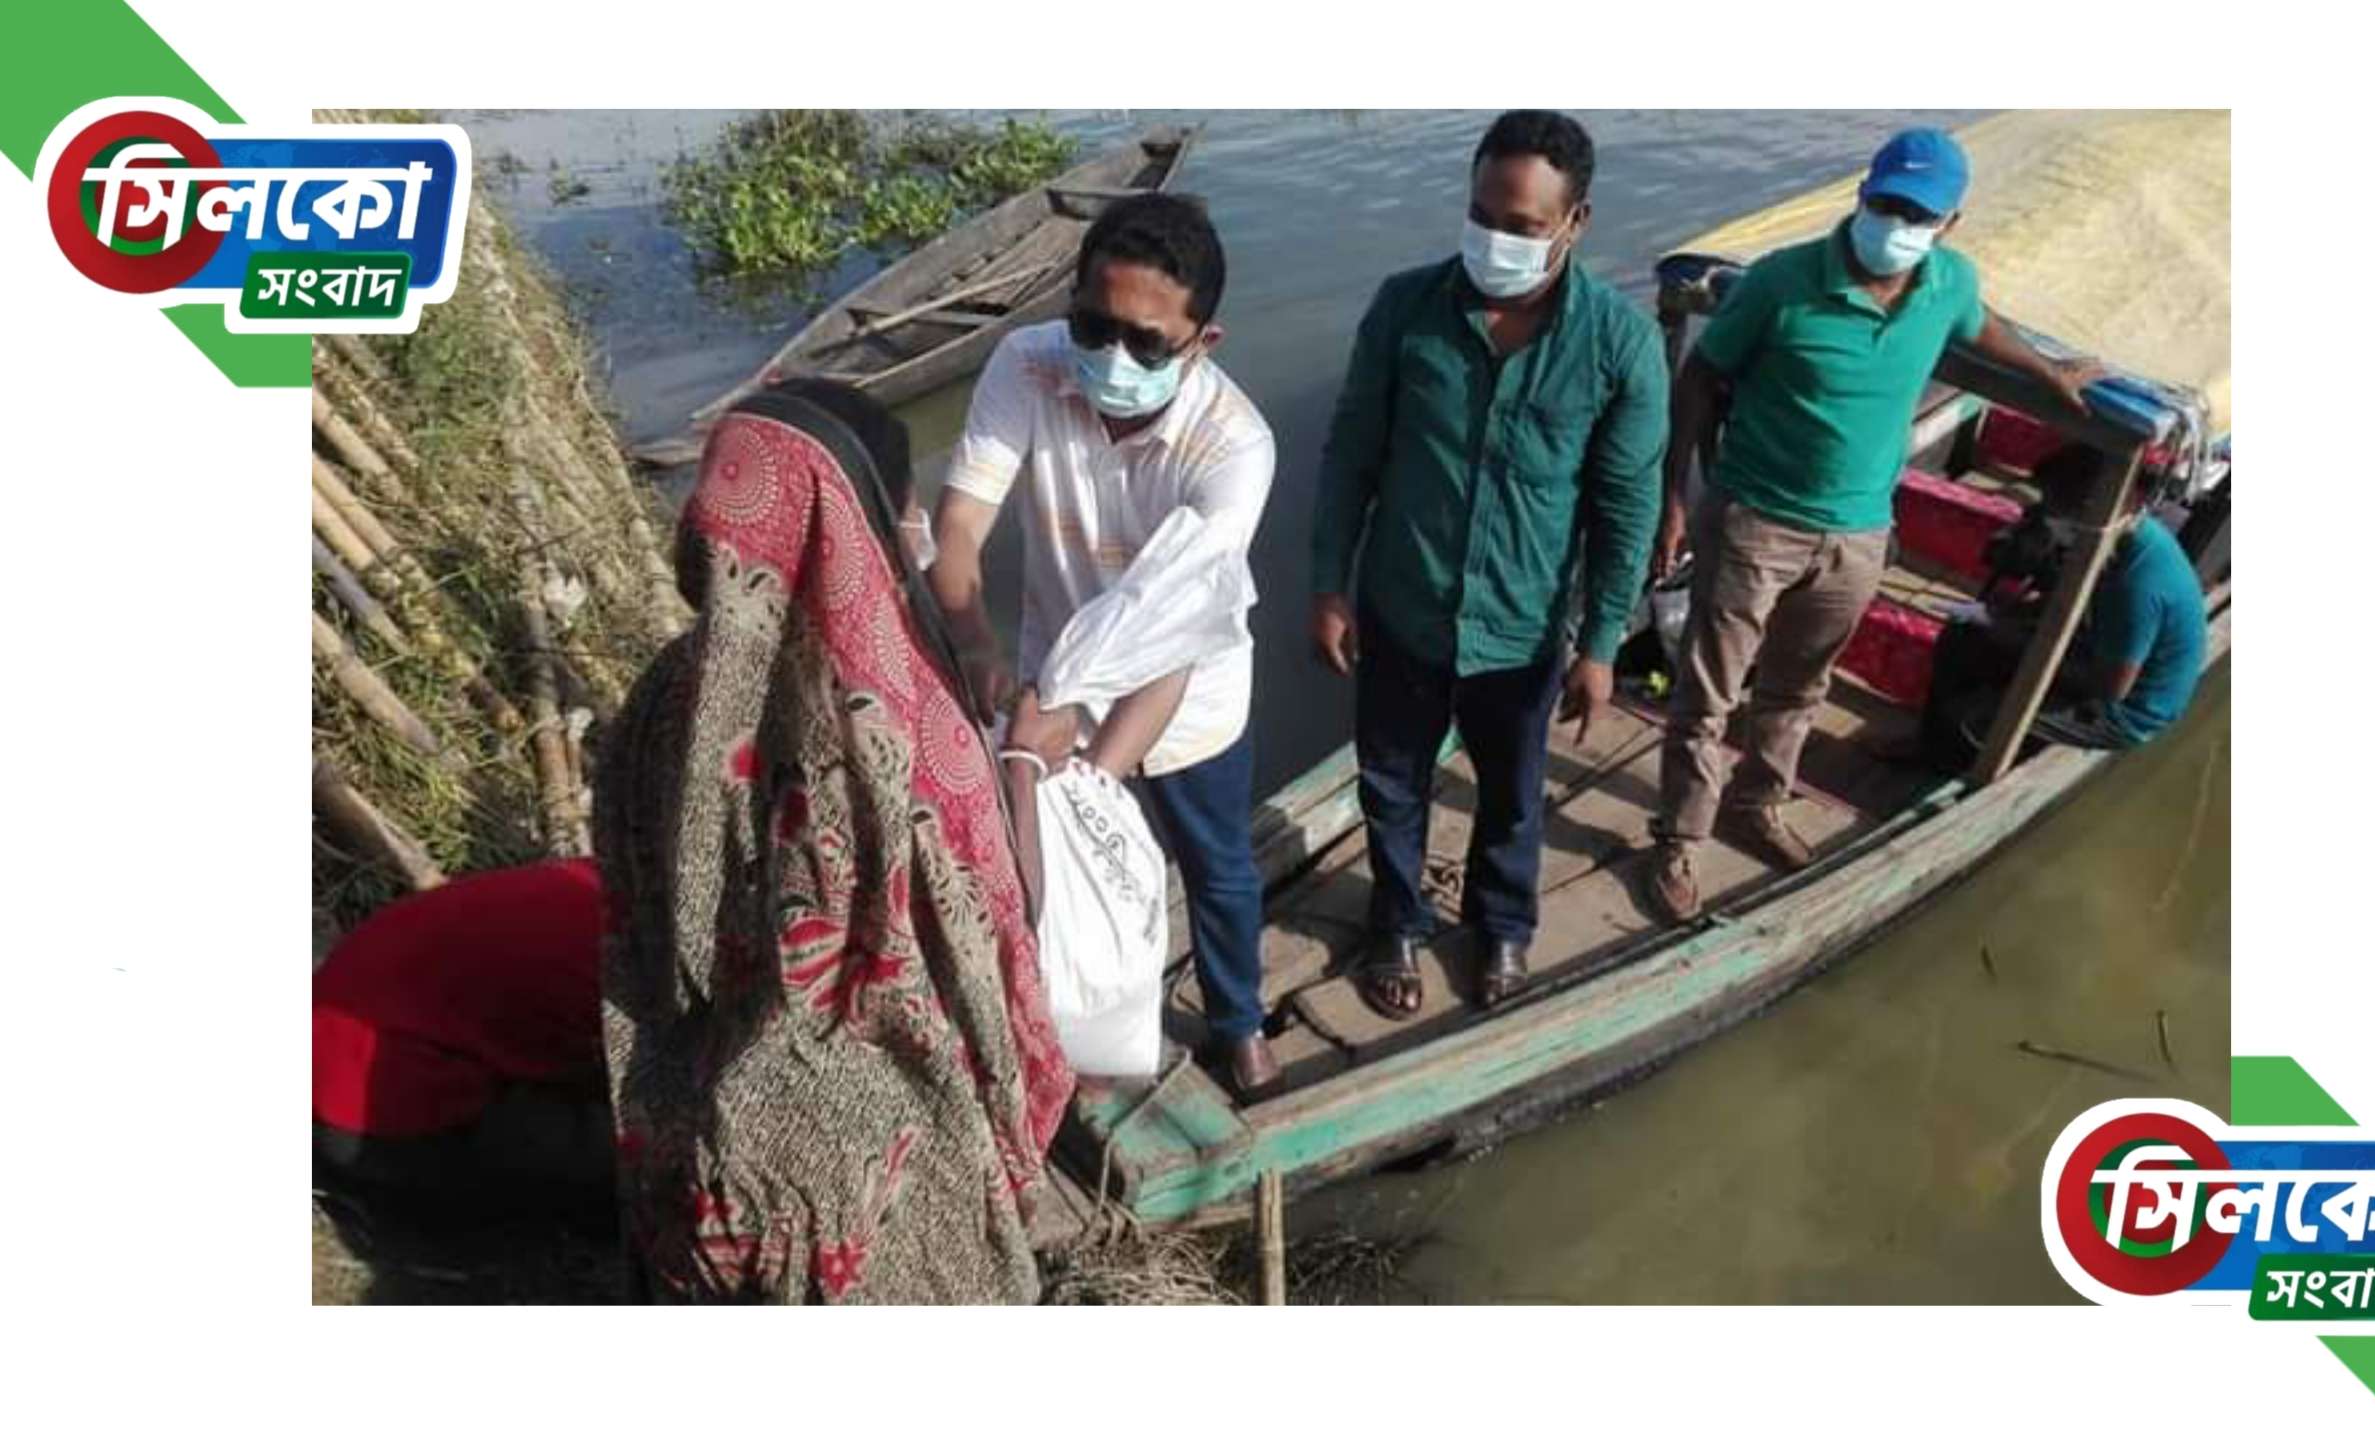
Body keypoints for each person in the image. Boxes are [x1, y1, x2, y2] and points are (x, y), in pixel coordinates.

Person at [594, 382, 1073, 1305]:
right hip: (874, 1177)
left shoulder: (660, 700)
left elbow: (636, 924)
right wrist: (1020, 763)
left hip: (685, 1146)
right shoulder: (894, 729)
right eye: (906, 509)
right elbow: (997, 949)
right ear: (870, 522)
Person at [1642, 127, 2105, 922]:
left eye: (1915, 214)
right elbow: (1701, 375)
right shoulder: (1782, 283)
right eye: (1885, 204)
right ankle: (1680, 839)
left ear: (1948, 225)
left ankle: (1758, 805)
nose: (1895, 224)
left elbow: (1981, 323)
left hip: (1858, 533)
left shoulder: (1946, 282)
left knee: (1799, 683)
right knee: (1709, 691)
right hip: (1756, 520)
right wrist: (1676, 497)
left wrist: (2048, 372)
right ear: (1862, 197)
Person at [1312, 110, 1668, 1020]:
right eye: (1482, 215)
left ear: (1575, 222)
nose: (1495, 239)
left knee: (1512, 790)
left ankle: (1501, 923)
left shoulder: (1620, 345)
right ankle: (1397, 919)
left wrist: (1600, 644)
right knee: (1392, 777)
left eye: (1522, 226)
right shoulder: (1404, 308)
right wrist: (1329, 582)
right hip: (1404, 600)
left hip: (1522, 623)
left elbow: (1624, 505)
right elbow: (1351, 451)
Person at [928, 194, 1280, 1095]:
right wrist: (974, 642)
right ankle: (1067, 1025)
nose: (1112, 357)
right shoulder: (1028, 365)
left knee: (1217, 873)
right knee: (1056, 876)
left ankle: (1239, 1020)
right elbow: (962, 520)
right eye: (1093, 323)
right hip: (1058, 685)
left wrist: (1095, 773)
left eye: (1147, 342)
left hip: (1188, 694)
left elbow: (1171, 631)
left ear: (1204, 341)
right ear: (1071, 302)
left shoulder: (1234, 448)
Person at [312, 857, 614, 1210]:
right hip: (367, 1115)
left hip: (341, 1042)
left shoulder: (615, 880)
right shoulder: (630, 964)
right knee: (639, 1165)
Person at [1913, 443, 2209, 768]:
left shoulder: (2135, 584)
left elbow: (2110, 688)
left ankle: (1959, 763)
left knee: (1977, 715)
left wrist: (2020, 641)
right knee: (1962, 638)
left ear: (2088, 508)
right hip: (2094, 652)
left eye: (2054, 507)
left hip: (2125, 711)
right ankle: (1934, 745)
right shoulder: (2124, 534)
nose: (2047, 515)